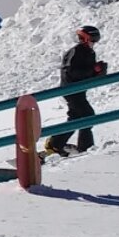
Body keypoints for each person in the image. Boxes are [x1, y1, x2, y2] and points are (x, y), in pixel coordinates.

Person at [44, 25, 107, 156]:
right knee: (88, 116)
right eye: (91, 40)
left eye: (95, 41)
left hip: (79, 89)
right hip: (71, 89)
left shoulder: (89, 53)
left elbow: (87, 74)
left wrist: (99, 72)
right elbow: (72, 72)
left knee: (76, 117)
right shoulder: (76, 51)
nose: (93, 44)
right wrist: (93, 70)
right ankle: (86, 148)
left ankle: (55, 143)